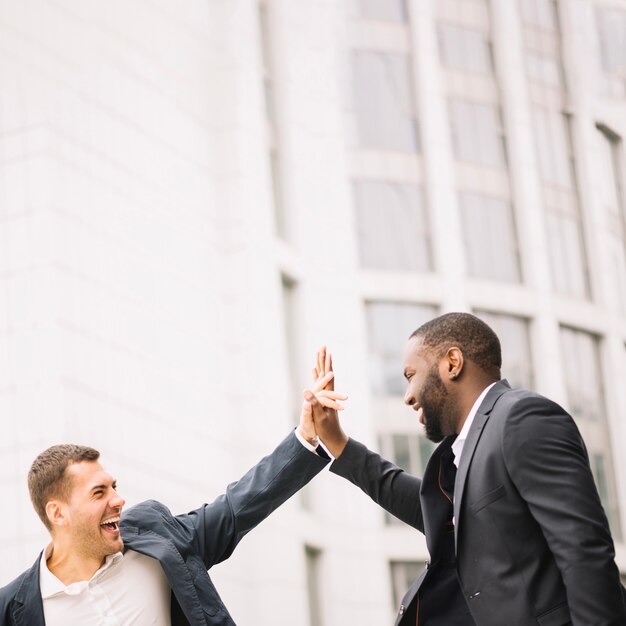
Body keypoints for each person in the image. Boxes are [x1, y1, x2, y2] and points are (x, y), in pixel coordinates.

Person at [304, 313, 626, 626]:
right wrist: (337, 443)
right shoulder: (469, 448)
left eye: (410, 374)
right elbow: (431, 508)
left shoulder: (522, 418)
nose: (407, 396)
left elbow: (584, 553)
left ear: (452, 363)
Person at [0, 367, 346, 626]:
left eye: (114, 486)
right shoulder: (13, 609)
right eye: (98, 492)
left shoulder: (154, 537)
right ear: (58, 514)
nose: (118, 500)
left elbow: (234, 509)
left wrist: (305, 435)